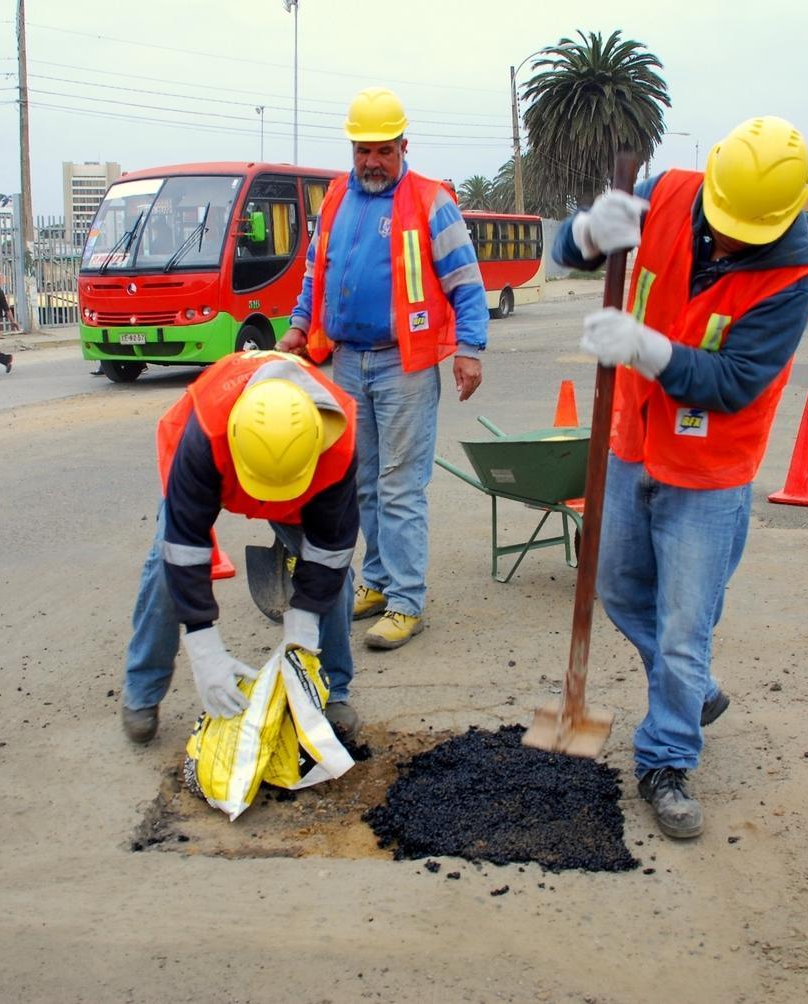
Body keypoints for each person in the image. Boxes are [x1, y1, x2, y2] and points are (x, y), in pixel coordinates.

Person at [553, 116, 808, 840]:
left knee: (684, 627)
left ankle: (667, 760)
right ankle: (695, 689)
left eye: (749, 232)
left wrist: (643, 347)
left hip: (708, 473)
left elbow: (735, 381)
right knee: (615, 586)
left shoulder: (792, 282)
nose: (731, 238)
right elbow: (575, 253)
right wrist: (583, 235)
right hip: (632, 441)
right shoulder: (671, 195)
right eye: (726, 221)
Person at [277, 87, 488, 651]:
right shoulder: (337, 197)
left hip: (405, 364)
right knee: (360, 483)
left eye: (383, 151)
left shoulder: (430, 201)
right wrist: (300, 324)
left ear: (403, 146)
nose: (372, 161)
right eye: (362, 150)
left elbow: (465, 281)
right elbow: (313, 273)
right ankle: (376, 582)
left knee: (400, 487)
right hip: (345, 359)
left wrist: (469, 347)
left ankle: (406, 601)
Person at [121, 349, 361, 746]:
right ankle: (142, 693)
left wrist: (304, 622)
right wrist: (202, 643)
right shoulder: (203, 435)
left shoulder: (338, 442)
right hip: (219, 466)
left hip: (301, 480)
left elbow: (331, 550)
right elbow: (185, 549)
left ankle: (332, 691)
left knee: (334, 578)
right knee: (167, 570)